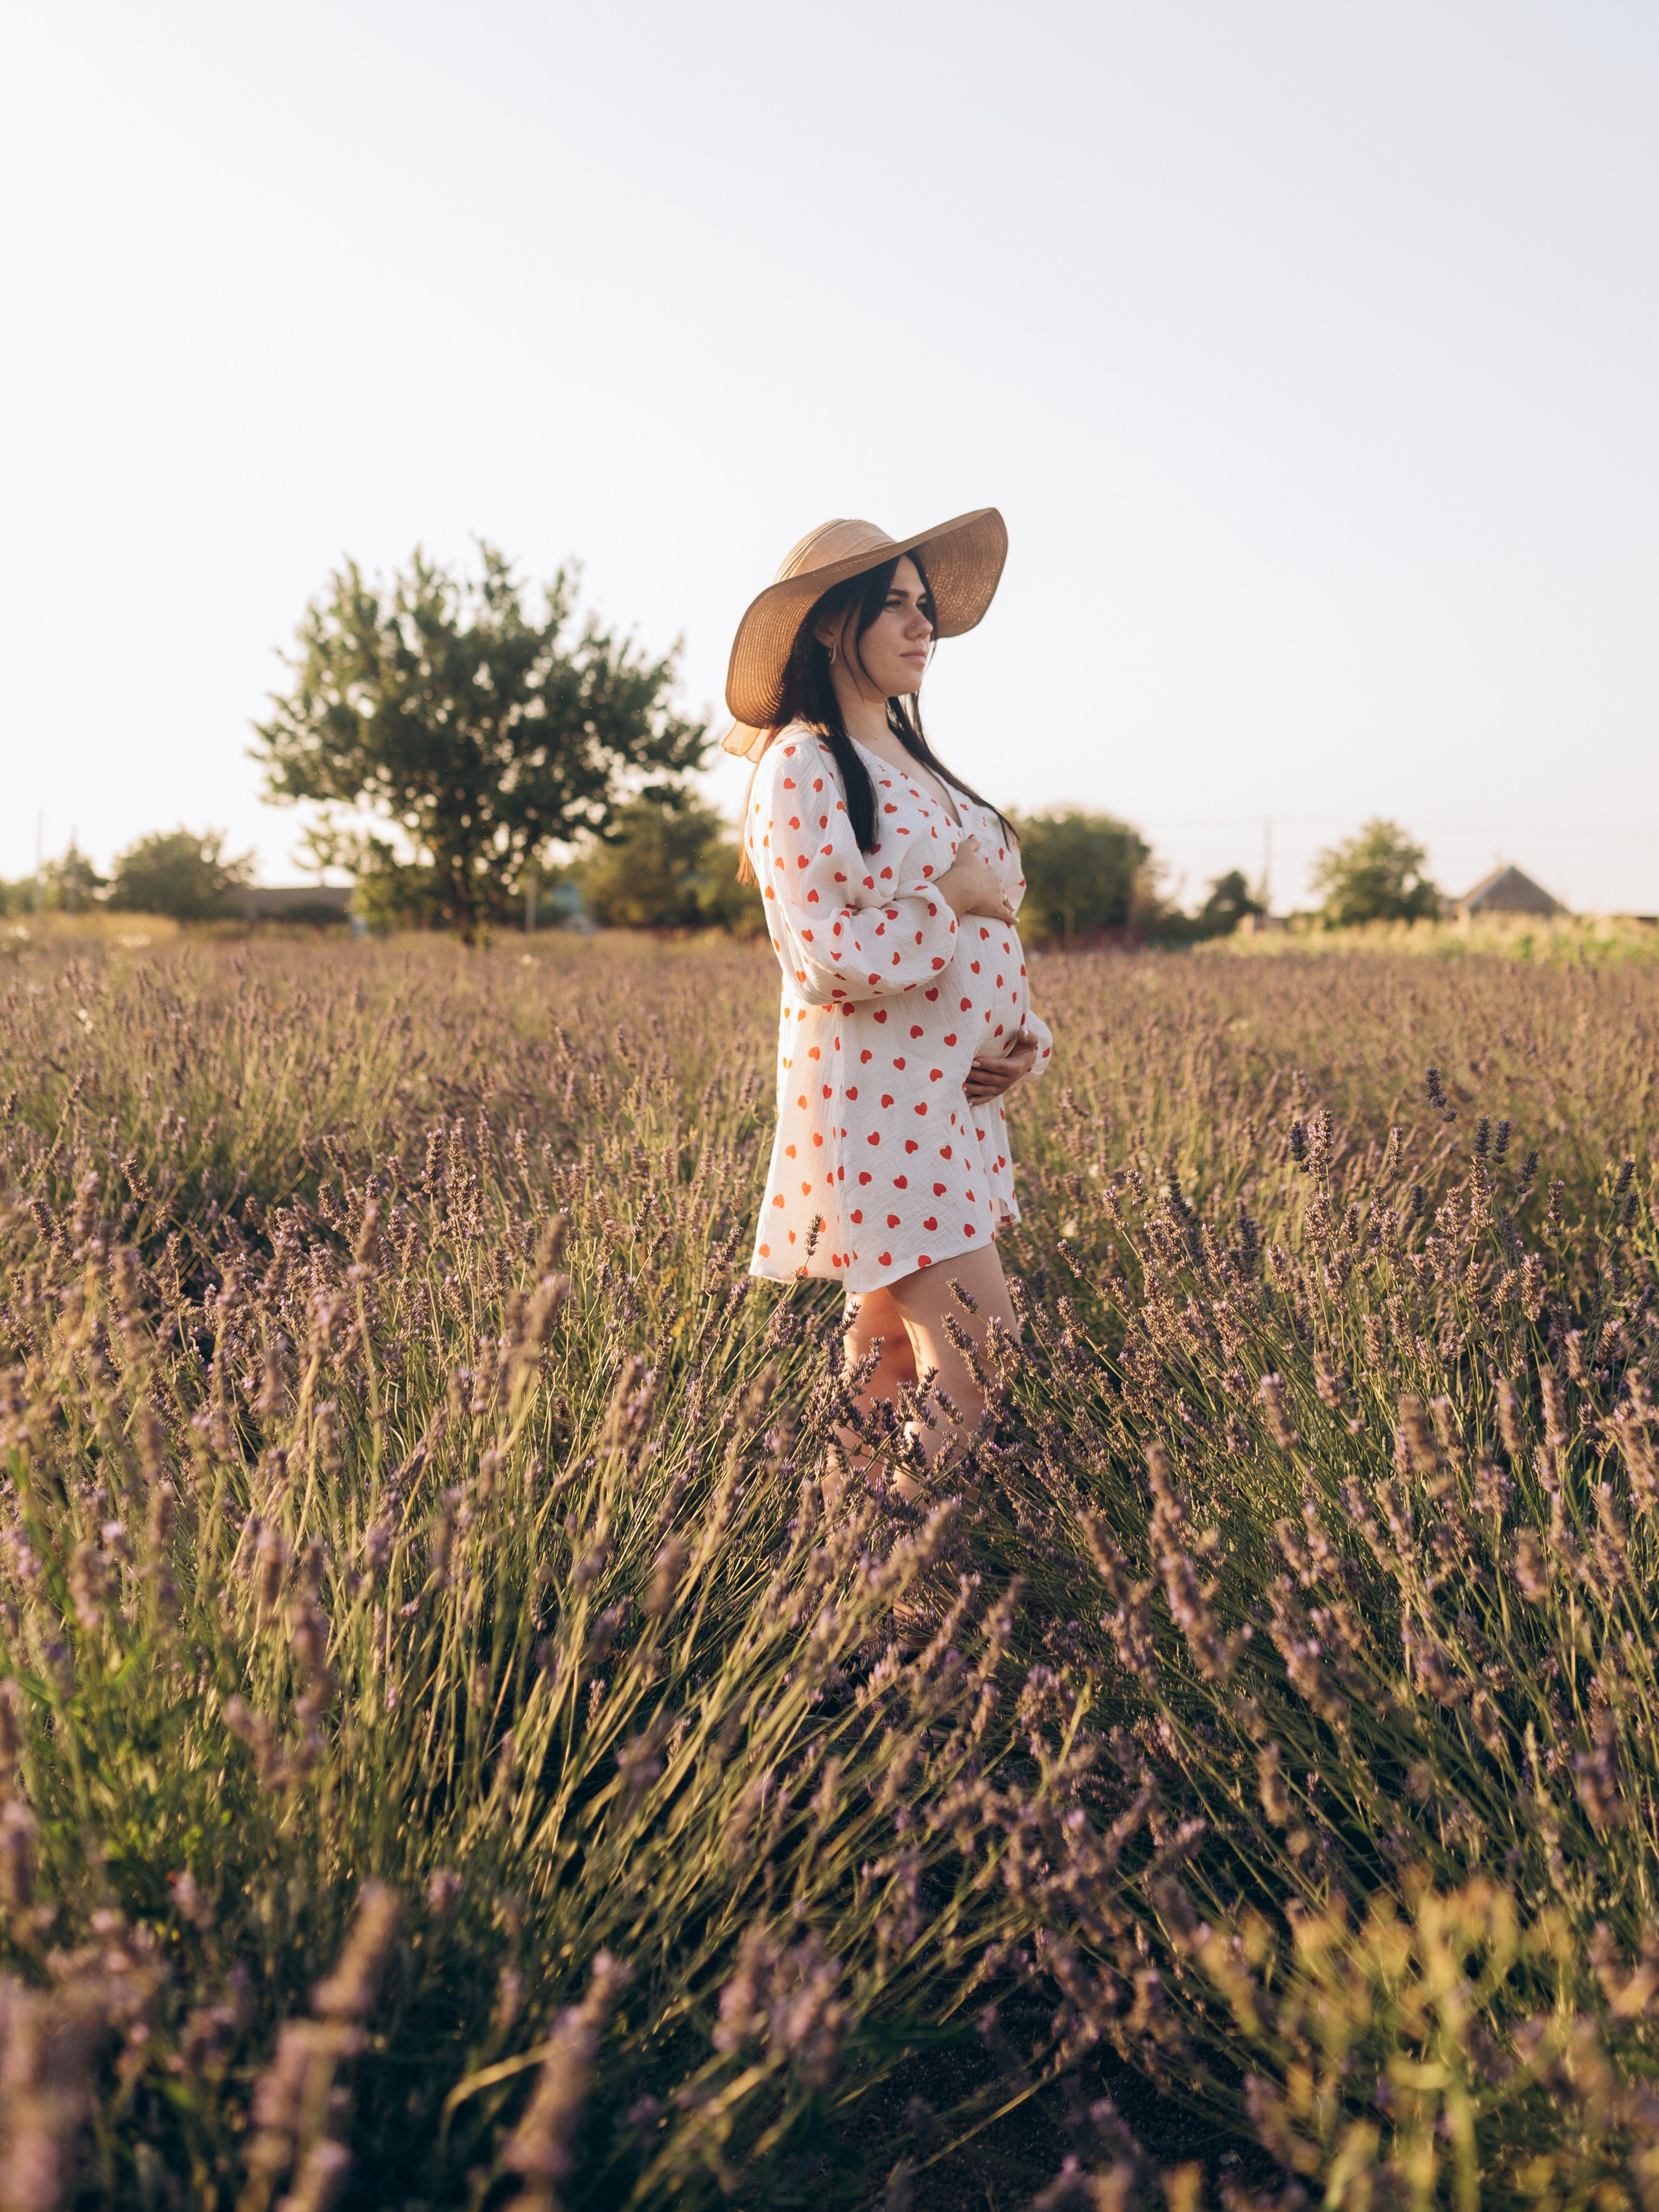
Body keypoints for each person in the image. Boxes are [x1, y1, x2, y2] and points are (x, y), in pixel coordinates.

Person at [722, 510, 1052, 1471]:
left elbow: (990, 925)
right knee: (984, 1350)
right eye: (896, 607)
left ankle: (848, 1570)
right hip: (880, 1111)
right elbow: (824, 955)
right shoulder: (802, 765)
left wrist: (1023, 1034)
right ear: (831, 625)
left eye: (926, 607)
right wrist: (947, 897)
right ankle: (916, 1565)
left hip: (949, 1103)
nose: (924, 628)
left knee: (892, 1364)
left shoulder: (915, 763)